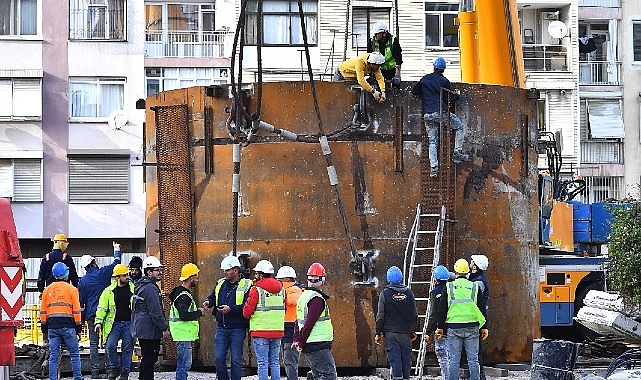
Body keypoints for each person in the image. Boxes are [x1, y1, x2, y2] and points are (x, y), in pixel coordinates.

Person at [411, 57, 469, 178]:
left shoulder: (425, 79)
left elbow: (414, 91)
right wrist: (457, 96)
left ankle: (434, 168)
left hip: (427, 115)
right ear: (443, 70)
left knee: (432, 142)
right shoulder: (444, 81)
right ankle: (457, 151)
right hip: (440, 113)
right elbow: (450, 99)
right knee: (459, 127)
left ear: (434, 67)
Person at [436, 259, 488, 380]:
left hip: (454, 327)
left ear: (455, 270)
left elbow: (442, 309)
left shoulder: (449, 287)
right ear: (467, 271)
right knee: (473, 360)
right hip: (472, 327)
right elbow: (482, 309)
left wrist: (440, 327)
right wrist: (485, 327)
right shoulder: (474, 287)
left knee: (453, 360)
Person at [203, 255, 253, 380]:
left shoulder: (247, 285)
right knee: (219, 358)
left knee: (236, 360)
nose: (224, 272)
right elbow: (212, 296)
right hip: (222, 328)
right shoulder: (220, 283)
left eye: (227, 270)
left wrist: (231, 309)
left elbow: (248, 306)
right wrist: (208, 302)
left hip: (237, 328)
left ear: (236, 270)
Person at [78, 242, 122, 378]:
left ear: (85, 267)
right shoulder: (103, 273)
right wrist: (116, 249)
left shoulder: (83, 281)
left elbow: (81, 302)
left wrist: (82, 320)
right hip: (107, 314)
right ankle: (110, 371)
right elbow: (117, 263)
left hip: (91, 315)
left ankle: (94, 372)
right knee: (109, 342)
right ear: (93, 263)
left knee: (93, 344)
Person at [293, 263, 337, 380]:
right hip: (318, 345)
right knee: (329, 376)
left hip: (311, 345)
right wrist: (300, 342)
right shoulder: (317, 299)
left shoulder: (304, 296)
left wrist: (297, 339)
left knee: (318, 376)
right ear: (322, 280)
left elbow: (298, 320)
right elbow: (309, 323)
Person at [242, 260, 285, 380]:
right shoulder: (282, 290)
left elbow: (246, 312)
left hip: (260, 331)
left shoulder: (256, 289)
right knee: (275, 362)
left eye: (256, 273)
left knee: (262, 363)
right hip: (277, 331)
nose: (255, 276)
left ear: (261, 275)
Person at [40, 262, 83, 380]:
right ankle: (78, 378)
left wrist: (44, 331)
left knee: (53, 356)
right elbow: (77, 311)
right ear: (66, 274)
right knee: (74, 355)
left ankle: (53, 378)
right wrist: (78, 329)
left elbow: (43, 312)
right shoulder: (72, 289)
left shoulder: (47, 290)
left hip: (52, 328)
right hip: (68, 327)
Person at [374, 266, 418, 380]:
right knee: (406, 360)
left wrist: (377, 333)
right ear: (401, 278)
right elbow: (414, 313)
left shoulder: (385, 294)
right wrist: (413, 330)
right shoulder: (409, 292)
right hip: (405, 333)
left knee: (395, 359)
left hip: (391, 333)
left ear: (389, 278)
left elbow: (380, 316)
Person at [131, 256, 170, 380]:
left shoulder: (141, 285)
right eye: (157, 270)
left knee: (146, 357)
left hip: (142, 329)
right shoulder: (150, 288)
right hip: (149, 330)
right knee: (150, 358)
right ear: (149, 272)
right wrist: (164, 328)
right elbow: (155, 312)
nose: (160, 273)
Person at [95, 263, 135, 380]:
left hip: (129, 324)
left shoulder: (133, 288)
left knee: (127, 349)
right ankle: (114, 368)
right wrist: (98, 322)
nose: (127, 277)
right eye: (124, 275)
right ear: (117, 277)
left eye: (127, 274)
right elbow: (102, 308)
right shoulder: (108, 291)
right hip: (114, 325)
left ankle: (125, 373)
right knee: (110, 346)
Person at [169, 263, 206, 380]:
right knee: (184, 364)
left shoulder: (181, 293)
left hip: (182, 334)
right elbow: (184, 315)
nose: (197, 279)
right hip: (183, 334)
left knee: (184, 364)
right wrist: (199, 312)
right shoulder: (183, 296)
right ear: (191, 278)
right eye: (196, 277)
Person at [275, 266, 304, 380]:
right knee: (287, 360)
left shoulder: (296, 289)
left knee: (289, 360)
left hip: (292, 328)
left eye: (280, 280)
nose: (278, 282)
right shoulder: (287, 290)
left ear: (287, 279)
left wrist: (280, 295)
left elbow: (293, 300)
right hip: (284, 327)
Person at [425, 265, 452, 380]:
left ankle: (447, 377)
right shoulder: (452, 289)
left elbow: (433, 315)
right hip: (453, 327)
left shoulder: (435, 292)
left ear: (435, 278)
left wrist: (428, 331)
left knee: (442, 356)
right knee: (452, 356)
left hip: (440, 329)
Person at [468, 255, 490, 380]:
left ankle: (480, 375)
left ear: (475, 265)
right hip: (476, 317)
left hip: (477, 318)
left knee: (475, 349)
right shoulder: (475, 277)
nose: (470, 262)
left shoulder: (479, 281)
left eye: (472, 261)